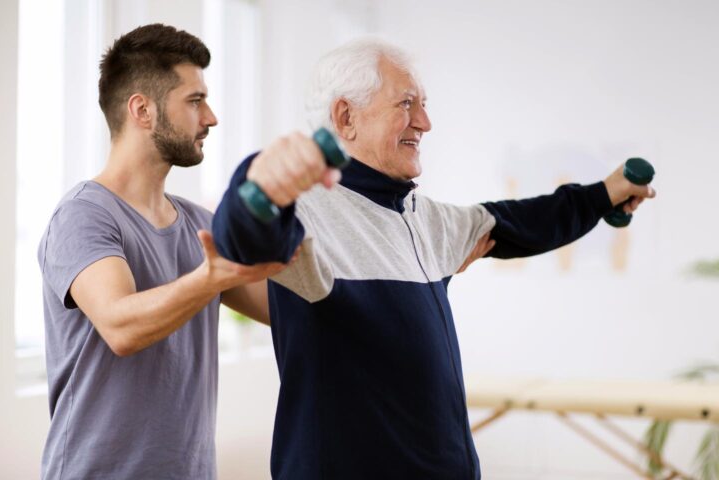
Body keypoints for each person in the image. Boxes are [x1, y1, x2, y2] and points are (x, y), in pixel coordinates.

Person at [211, 39, 655, 479]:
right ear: (346, 117)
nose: (424, 122)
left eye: (423, 104)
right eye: (406, 104)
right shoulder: (307, 214)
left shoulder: (421, 218)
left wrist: (603, 196)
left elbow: (517, 222)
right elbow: (242, 237)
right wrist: (260, 182)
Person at [38, 24, 287, 479]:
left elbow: (284, 308)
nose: (210, 117)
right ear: (143, 110)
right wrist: (211, 278)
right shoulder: (83, 216)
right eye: (195, 101)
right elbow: (121, 325)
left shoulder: (200, 224)